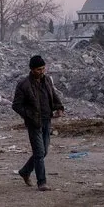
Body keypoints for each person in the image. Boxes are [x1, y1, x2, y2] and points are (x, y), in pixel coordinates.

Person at [11, 55, 64, 191]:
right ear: (32, 69)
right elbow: (16, 105)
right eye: (39, 69)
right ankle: (42, 182)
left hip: (47, 120)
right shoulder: (24, 85)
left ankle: (25, 171)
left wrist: (59, 107)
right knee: (39, 152)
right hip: (34, 123)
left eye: (43, 68)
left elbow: (53, 94)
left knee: (44, 151)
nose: (42, 71)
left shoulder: (46, 80)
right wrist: (29, 116)